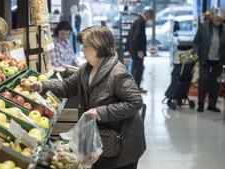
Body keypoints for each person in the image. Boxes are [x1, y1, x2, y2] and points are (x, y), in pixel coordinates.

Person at [35, 26, 146, 169]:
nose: (82, 50)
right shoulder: (86, 69)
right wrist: (41, 86)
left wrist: (100, 112)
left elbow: (135, 102)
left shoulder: (118, 73)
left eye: (85, 46)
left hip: (123, 145)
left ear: (98, 47)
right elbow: (66, 87)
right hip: (101, 142)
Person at [193, 9, 225, 113]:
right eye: (217, 20)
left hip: (218, 61)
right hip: (205, 59)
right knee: (203, 81)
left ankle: (212, 104)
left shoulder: (224, 29)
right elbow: (196, 42)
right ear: (212, 18)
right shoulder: (204, 27)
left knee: (214, 83)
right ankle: (201, 104)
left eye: (220, 20)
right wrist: (196, 52)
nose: (218, 22)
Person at [127, 9, 155, 93]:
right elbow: (137, 36)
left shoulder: (139, 21)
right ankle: (135, 88)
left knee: (136, 68)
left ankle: (134, 87)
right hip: (137, 50)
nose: (152, 19)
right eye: (152, 17)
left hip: (135, 49)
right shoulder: (140, 22)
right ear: (148, 14)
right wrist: (139, 50)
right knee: (138, 70)